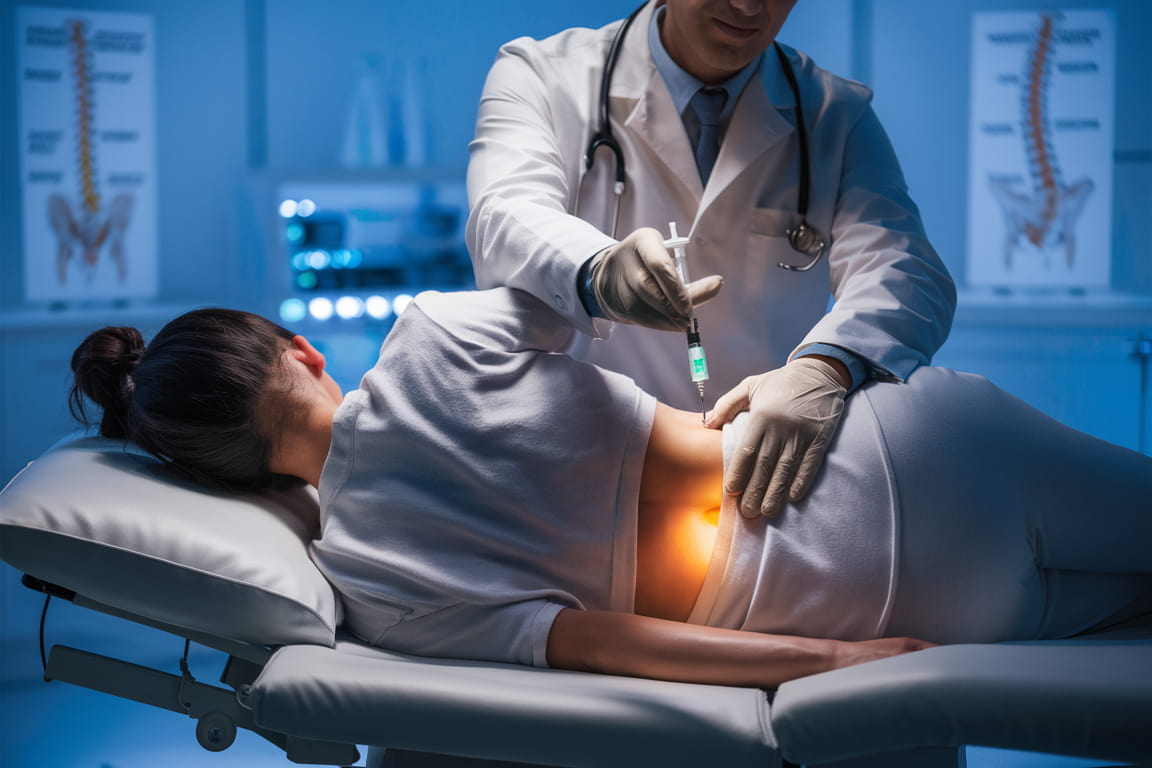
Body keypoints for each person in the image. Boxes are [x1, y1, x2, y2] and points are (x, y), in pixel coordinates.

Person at [69, 288, 1152, 690]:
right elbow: (597, 280)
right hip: (915, 450)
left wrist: (832, 662)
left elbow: (604, 648)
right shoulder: (430, 335)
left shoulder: (364, 588)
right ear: (301, 349)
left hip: (889, 605)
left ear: (234, 477)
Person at [466, 0, 958, 518]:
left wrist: (828, 366)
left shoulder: (835, 113)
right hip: (579, 475)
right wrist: (595, 270)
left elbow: (905, 269)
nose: (749, 5)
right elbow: (504, 214)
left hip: (759, 489)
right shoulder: (543, 75)